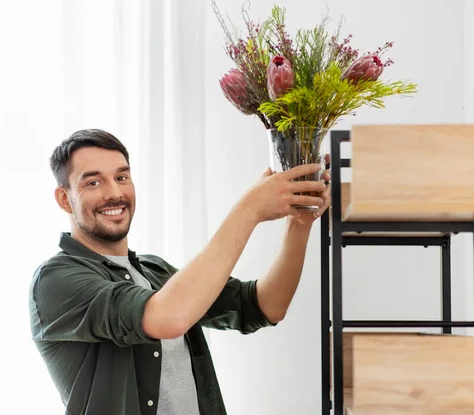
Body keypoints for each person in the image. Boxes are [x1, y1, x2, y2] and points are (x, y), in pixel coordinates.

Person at [29, 129, 331, 415]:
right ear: (64, 198)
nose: (114, 192)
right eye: (93, 183)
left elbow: (265, 306)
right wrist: (249, 209)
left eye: (122, 177)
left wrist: (299, 222)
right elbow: (168, 318)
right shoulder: (56, 280)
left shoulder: (154, 271)